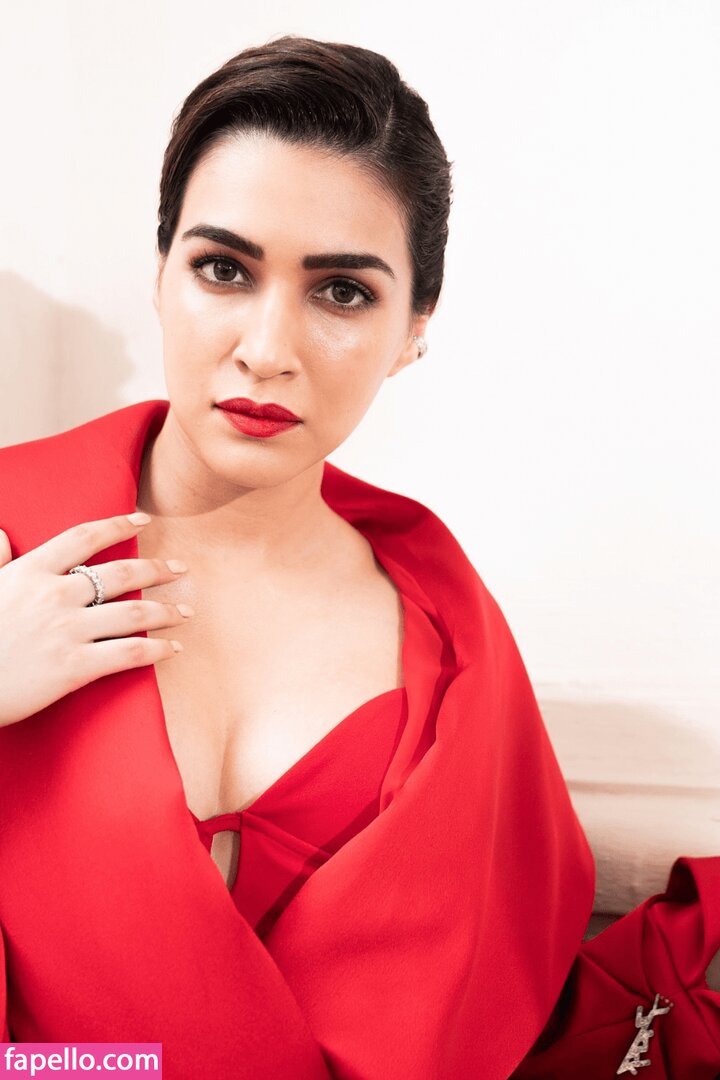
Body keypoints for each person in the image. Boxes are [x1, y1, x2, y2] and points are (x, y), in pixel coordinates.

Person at [0, 35, 718, 1080]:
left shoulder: (448, 643)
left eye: (341, 292)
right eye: (223, 269)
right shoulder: (10, 532)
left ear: (413, 329)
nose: (266, 348)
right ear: (159, 275)